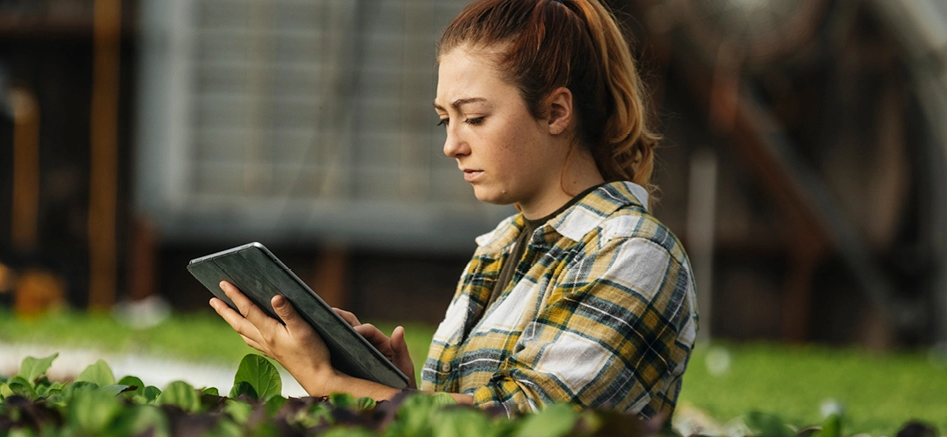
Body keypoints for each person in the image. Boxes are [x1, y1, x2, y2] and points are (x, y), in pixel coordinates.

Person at [209, 0, 698, 420]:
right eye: (446, 119)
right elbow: (468, 414)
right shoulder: (499, 247)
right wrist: (395, 389)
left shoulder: (633, 253)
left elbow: (521, 424)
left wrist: (328, 382)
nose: (451, 145)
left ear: (555, 112)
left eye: (476, 118)